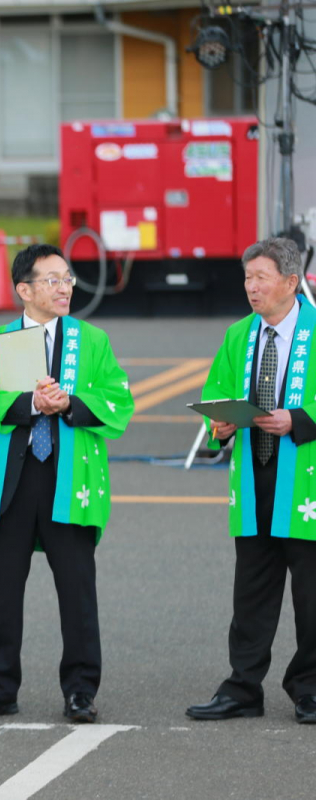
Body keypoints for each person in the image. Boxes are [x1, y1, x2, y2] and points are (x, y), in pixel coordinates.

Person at [0, 244, 133, 724]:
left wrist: (70, 402)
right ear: (24, 289)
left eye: (67, 278)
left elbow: (118, 398)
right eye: (52, 280)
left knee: (77, 590)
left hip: (69, 477)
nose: (64, 288)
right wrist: (32, 404)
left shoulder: (91, 340)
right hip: (11, 479)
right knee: (2, 589)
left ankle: (80, 689)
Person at [186, 237, 316, 725]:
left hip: (306, 482)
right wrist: (218, 425)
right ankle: (243, 687)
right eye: (247, 278)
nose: (251, 287)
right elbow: (216, 392)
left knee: (312, 594)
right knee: (251, 592)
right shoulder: (239, 334)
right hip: (255, 475)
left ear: (291, 281)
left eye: (261, 277)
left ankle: (310, 687)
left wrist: (298, 419)